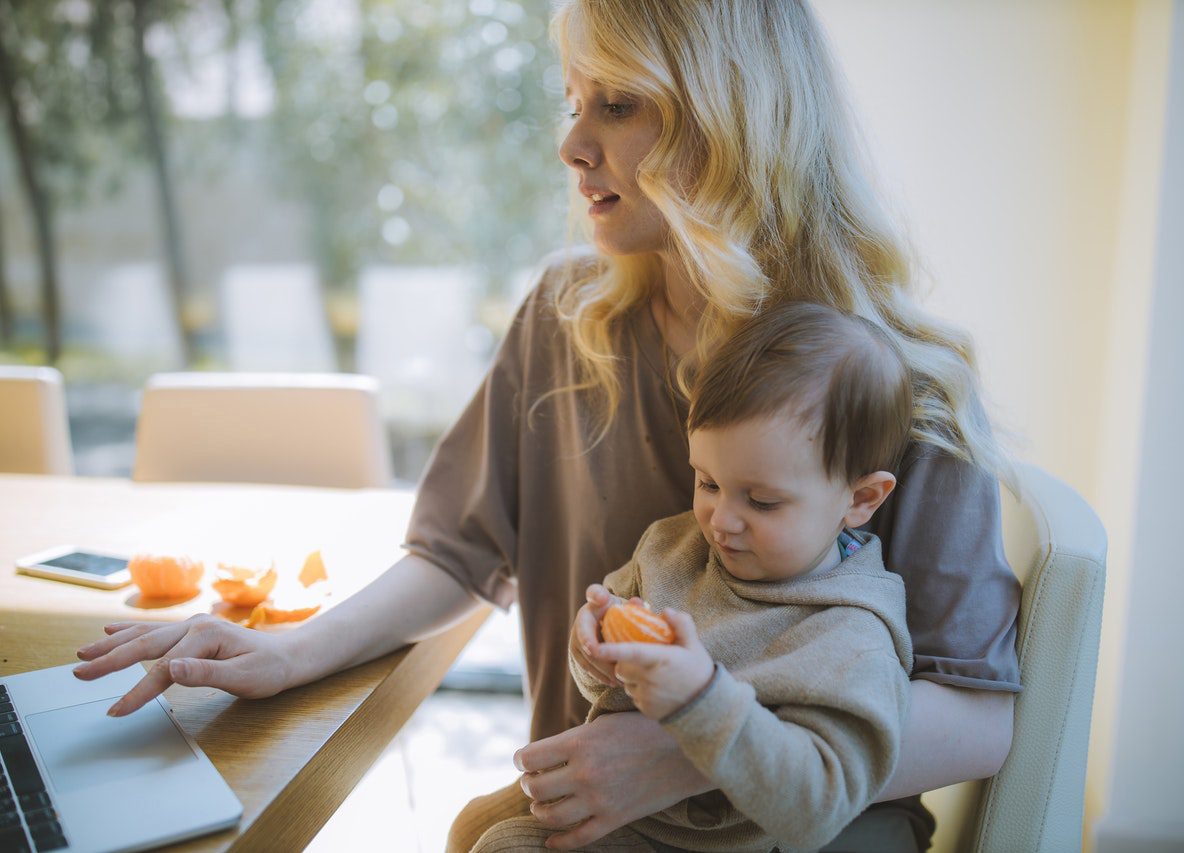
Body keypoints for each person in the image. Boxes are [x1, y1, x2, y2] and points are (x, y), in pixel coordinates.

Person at [71, 1, 1022, 850]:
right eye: (574, 102)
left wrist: (688, 753)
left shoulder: (900, 374)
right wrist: (291, 649)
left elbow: (979, 716)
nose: (572, 144)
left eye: (618, 105)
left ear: (731, 119)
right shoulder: (568, 318)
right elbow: (457, 553)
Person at [473, 302, 916, 853]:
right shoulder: (673, 547)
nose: (719, 521)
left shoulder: (850, 637)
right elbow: (604, 690)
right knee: (478, 831)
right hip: (618, 813)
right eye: (707, 482)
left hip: (702, 845)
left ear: (861, 498)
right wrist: (594, 652)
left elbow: (817, 808)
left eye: (761, 501)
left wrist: (701, 700)